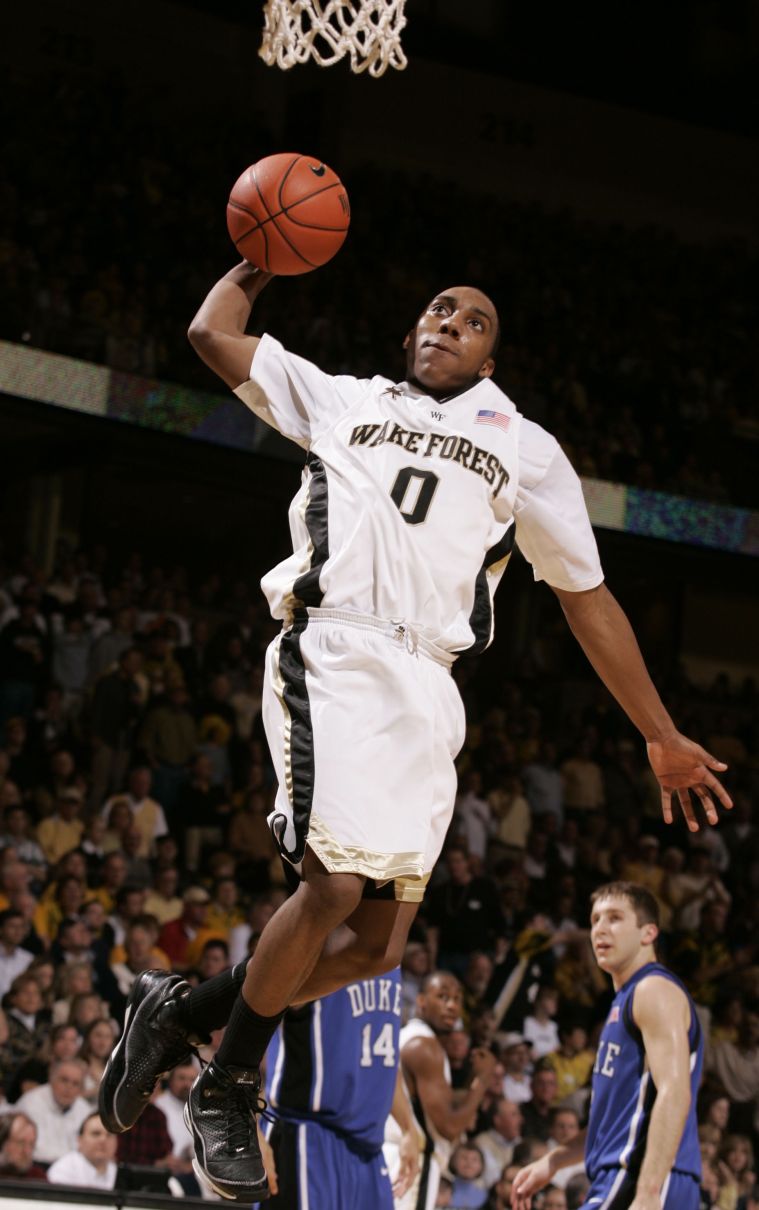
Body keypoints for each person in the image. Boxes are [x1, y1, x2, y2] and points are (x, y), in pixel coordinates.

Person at [100, 265, 731, 1202]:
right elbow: (209, 334)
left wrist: (658, 732)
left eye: (474, 320)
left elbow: (586, 599)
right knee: (334, 884)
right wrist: (259, 258)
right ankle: (229, 1086)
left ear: (491, 354)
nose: (450, 323)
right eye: (438, 310)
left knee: (375, 949)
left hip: (429, 685)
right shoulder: (341, 398)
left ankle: (181, 1009)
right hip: (336, 648)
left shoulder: (524, 446)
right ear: (410, 334)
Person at [511, 881, 704, 1209]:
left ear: (648, 933)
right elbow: (616, 1122)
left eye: (614, 918)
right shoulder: (624, 1000)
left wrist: (648, 1191)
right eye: (595, 920)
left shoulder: (653, 989)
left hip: (641, 1176)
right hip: (621, 1175)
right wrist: (554, 1161)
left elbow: (675, 1091)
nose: (600, 928)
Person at [253, 968, 418, 1209]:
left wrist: (407, 1128)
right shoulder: (316, 947)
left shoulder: (390, 961)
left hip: (368, 1149)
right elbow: (246, 1036)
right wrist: (251, 1129)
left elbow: (383, 1059)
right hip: (309, 1141)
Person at [385, 971, 496, 1210]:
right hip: (412, 1161)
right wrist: (484, 1079)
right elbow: (449, 1127)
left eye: (457, 998)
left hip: (395, 1154)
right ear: (421, 1001)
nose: (452, 1006)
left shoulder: (408, 1037)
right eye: (442, 997)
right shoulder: (425, 1047)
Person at [47, 1112, 118, 1190]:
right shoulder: (63, 1170)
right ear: (79, 1140)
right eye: (96, 1134)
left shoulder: (120, 1174)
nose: (103, 1140)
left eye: (109, 1135)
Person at [0, 1112, 47, 1181]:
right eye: (20, 1143)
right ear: (2, 1142)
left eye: (31, 1145)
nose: (27, 1151)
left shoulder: (37, 1177)